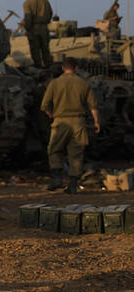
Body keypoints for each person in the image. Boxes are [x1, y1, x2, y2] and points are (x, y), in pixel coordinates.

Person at [41, 57, 100, 194]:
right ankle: (73, 185)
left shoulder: (54, 83)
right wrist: (96, 121)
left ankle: (57, 179)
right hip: (78, 122)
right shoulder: (83, 83)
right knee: (76, 154)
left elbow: (44, 106)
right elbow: (93, 106)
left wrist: (52, 115)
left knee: (55, 150)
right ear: (76, 68)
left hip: (60, 121)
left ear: (63, 68)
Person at [23, 0, 54, 69]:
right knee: (45, 48)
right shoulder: (44, 0)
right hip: (44, 27)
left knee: (35, 49)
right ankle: (48, 65)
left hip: (34, 28)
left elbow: (28, 17)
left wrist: (27, 28)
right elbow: (51, 12)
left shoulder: (27, 3)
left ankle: (38, 67)